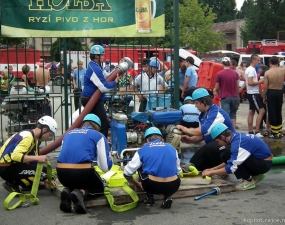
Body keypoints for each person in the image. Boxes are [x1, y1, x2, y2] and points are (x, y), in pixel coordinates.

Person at [57, 114, 112, 214]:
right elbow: (105, 167)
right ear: (97, 127)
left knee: (75, 180)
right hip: (81, 173)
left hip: (61, 173)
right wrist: (110, 158)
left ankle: (68, 190)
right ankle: (80, 193)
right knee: (99, 188)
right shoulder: (98, 135)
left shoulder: (68, 134)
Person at [176, 88, 235, 172]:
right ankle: (213, 168)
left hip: (227, 147)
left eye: (196, 103)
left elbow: (205, 130)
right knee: (193, 165)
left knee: (211, 147)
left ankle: (223, 171)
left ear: (203, 101)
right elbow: (203, 136)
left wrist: (184, 129)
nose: (195, 106)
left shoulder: (215, 112)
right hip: (212, 147)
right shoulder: (202, 115)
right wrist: (190, 139)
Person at [202, 123, 272, 191]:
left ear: (223, 137)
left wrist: (212, 173)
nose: (219, 144)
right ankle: (256, 175)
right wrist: (213, 169)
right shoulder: (237, 136)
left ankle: (248, 181)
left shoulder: (237, 144)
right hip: (263, 161)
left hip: (263, 164)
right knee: (226, 154)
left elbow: (231, 168)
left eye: (218, 141)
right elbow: (231, 161)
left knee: (226, 153)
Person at [124, 127, 181, 209]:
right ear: (162, 139)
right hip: (174, 185)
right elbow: (178, 170)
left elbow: (127, 172)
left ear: (147, 140)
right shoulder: (172, 149)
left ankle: (150, 198)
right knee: (172, 169)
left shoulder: (142, 150)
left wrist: (137, 184)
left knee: (141, 166)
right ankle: (168, 196)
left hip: (152, 186)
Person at [0, 116, 57, 193]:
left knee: (44, 172)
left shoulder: (34, 138)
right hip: (5, 168)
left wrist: (45, 178)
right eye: (50, 135)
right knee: (45, 172)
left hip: (10, 166)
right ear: (44, 130)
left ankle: (26, 184)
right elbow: (15, 156)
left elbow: (32, 163)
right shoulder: (28, 137)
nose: (49, 138)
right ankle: (12, 183)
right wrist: (44, 173)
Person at [81, 45, 119, 138]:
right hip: (91, 99)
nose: (103, 57)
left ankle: (93, 141)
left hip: (92, 98)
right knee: (103, 123)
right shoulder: (94, 68)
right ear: (96, 56)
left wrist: (117, 69)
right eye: (102, 55)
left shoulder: (96, 66)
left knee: (94, 123)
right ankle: (101, 143)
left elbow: (107, 76)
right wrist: (115, 83)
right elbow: (104, 87)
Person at [263, 56, 285, 138]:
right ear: (278, 62)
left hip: (271, 92)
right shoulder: (282, 71)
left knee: (272, 112)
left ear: (270, 62)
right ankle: (279, 130)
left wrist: (263, 96)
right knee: (278, 111)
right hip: (280, 91)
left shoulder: (268, 72)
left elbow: (265, 87)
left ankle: (274, 132)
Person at [214, 57, 239, 128]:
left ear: (222, 63)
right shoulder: (235, 73)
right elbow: (237, 86)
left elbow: (217, 87)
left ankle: (227, 130)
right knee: (233, 114)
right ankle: (233, 130)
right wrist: (237, 96)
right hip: (234, 96)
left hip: (224, 96)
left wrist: (217, 93)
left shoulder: (219, 74)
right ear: (229, 63)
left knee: (225, 114)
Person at [244, 54, 265, 138]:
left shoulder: (249, 69)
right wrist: (260, 82)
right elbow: (250, 82)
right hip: (253, 93)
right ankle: (256, 131)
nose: (258, 62)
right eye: (257, 60)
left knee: (251, 111)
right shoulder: (251, 70)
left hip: (251, 93)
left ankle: (250, 131)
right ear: (253, 60)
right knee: (262, 111)